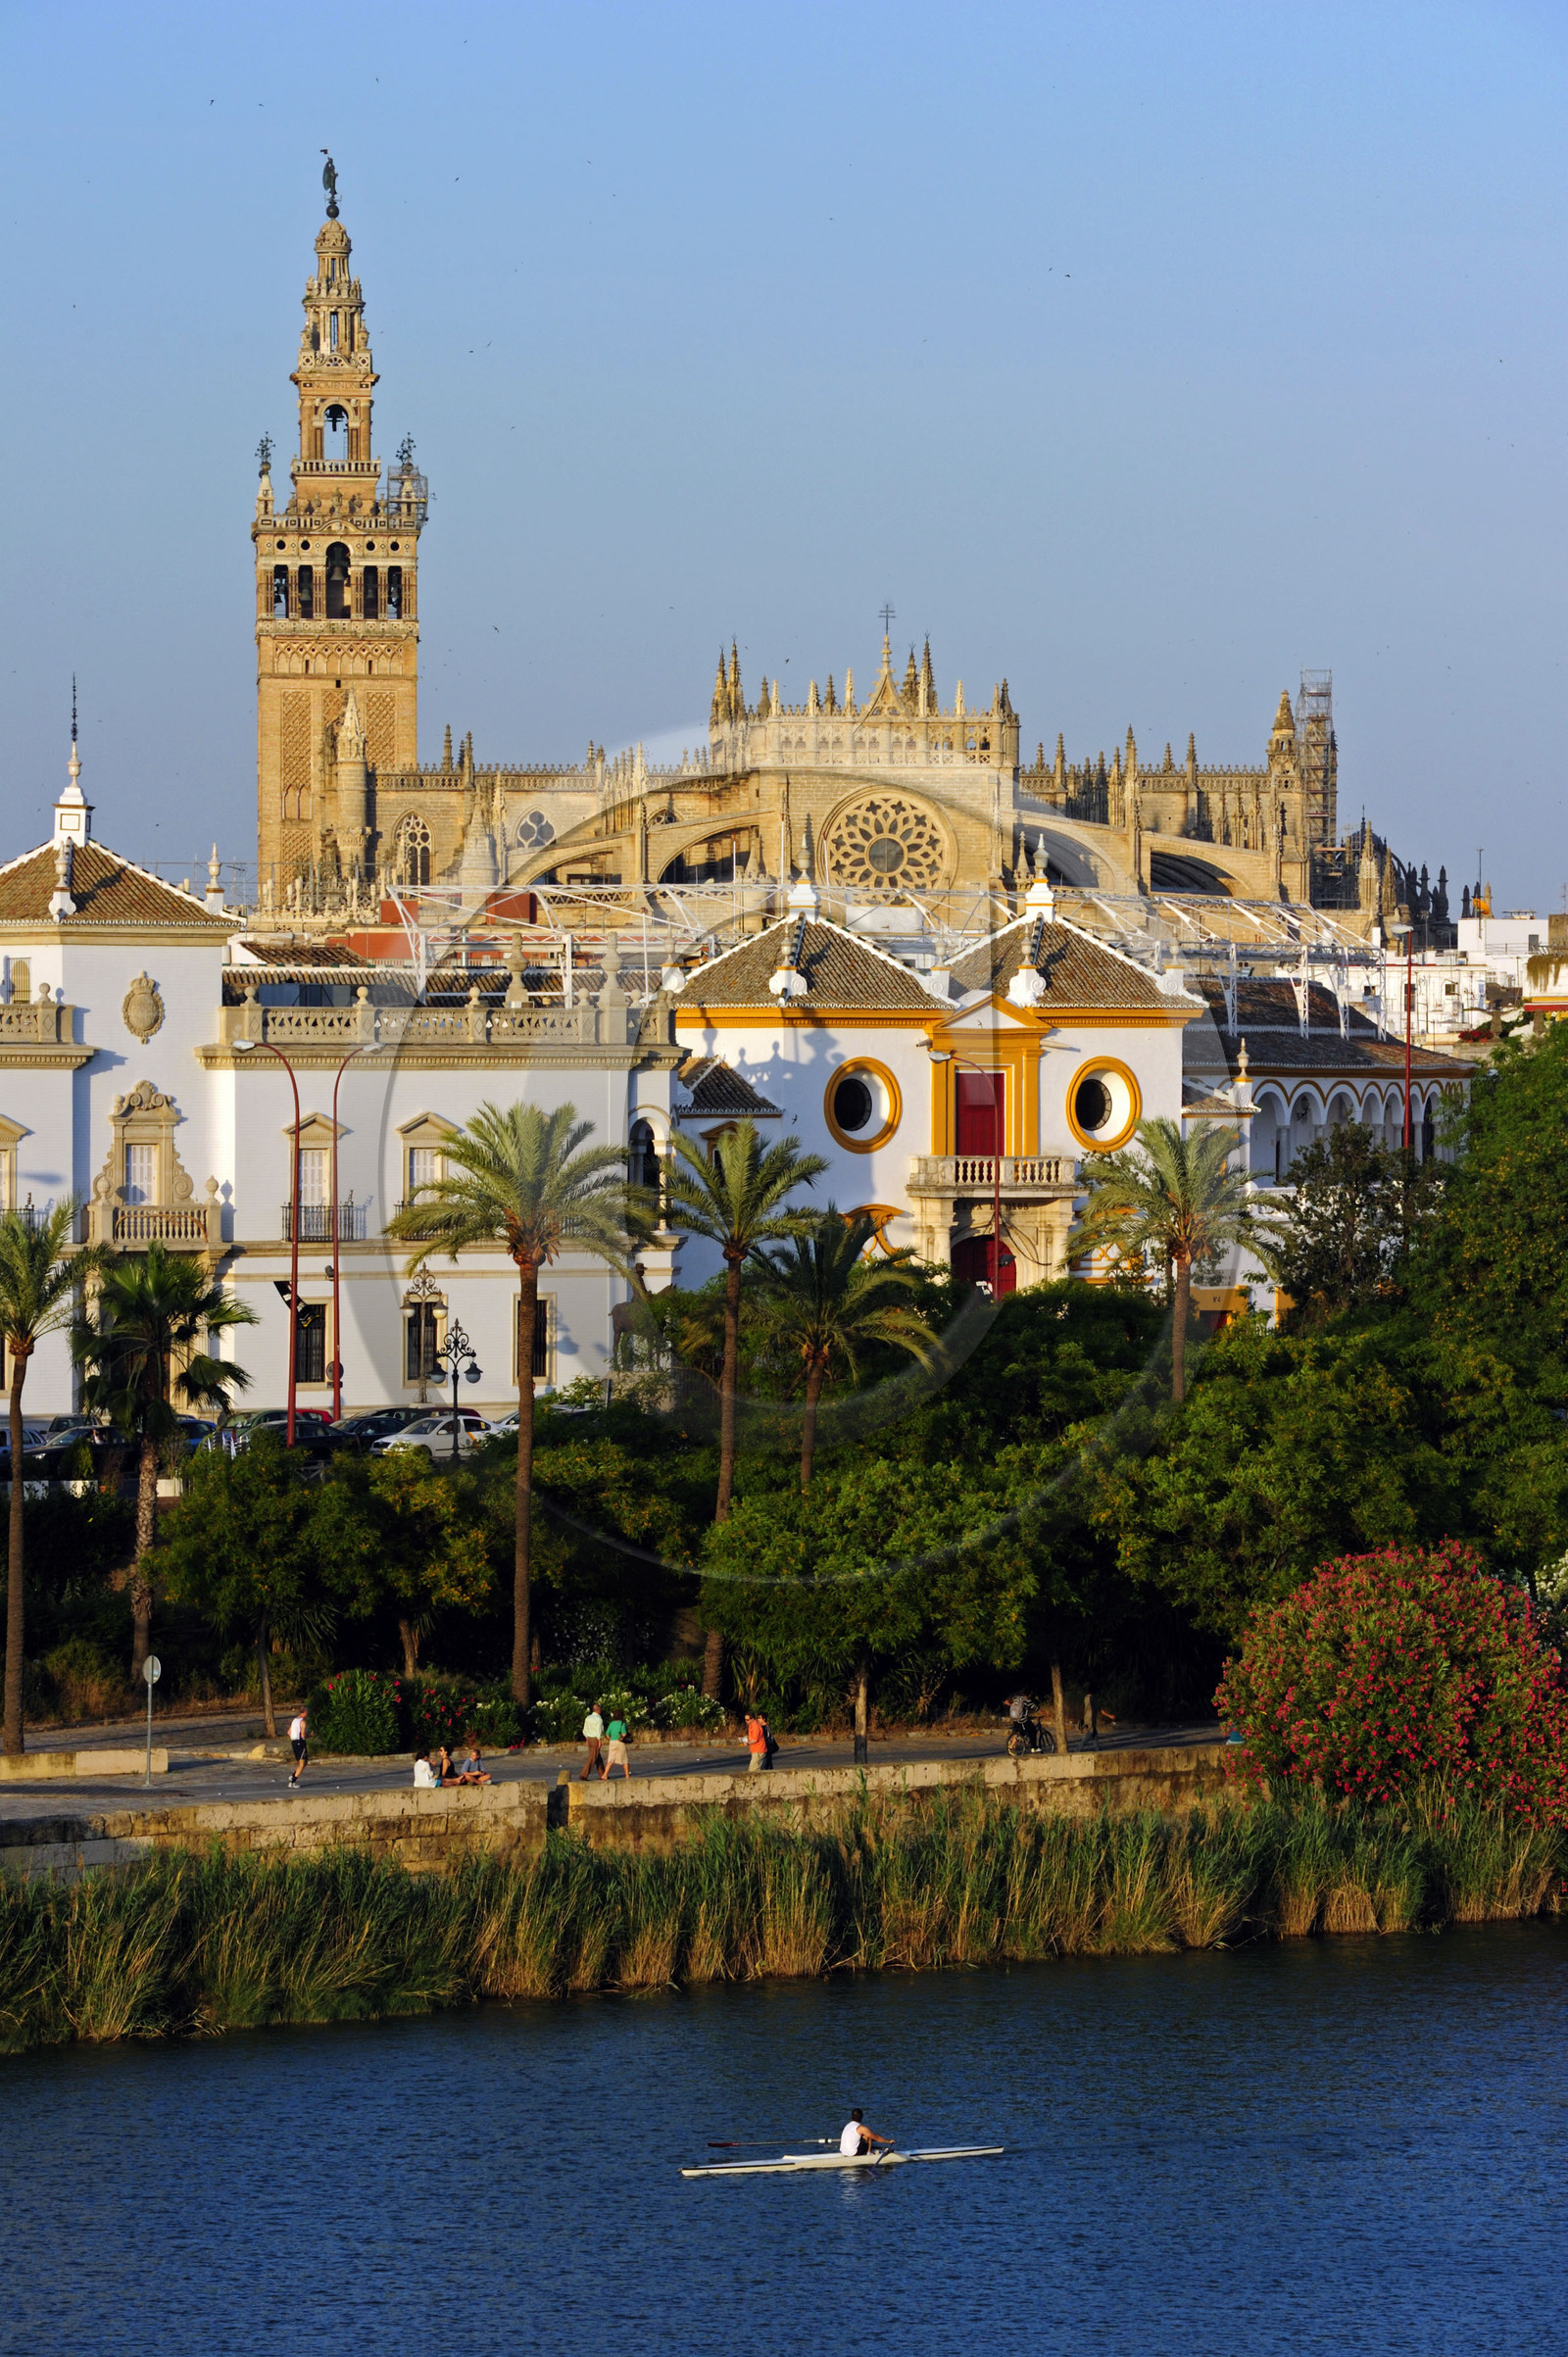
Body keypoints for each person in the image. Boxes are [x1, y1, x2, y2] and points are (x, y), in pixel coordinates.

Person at [603, 1711, 631, 1781]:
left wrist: (611, 1739)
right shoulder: (622, 1723)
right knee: (624, 1758)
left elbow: (607, 1734)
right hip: (620, 1742)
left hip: (612, 1742)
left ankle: (605, 1774)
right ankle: (627, 1775)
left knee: (611, 1758)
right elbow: (624, 1734)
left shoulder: (611, 1724)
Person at [580, 1701, 605, 1780]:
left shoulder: (588, 1718)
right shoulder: (599, 1719)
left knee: (598, 1757)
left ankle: (603, 1774)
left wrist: (587, 1739)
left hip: (589, 1738)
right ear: (598, 1710)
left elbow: (585, 1730)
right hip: (595, 1738)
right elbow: (598, 1731)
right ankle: (584, 1774)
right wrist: (599, 1740)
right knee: (593, 1757)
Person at [287, 1705, 309, 1790]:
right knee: (302, 1763)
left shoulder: (294, 1720)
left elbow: (289, 1732)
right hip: (300, 1742)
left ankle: (293, 1775)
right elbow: (303, 1735)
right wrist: (310, 1735)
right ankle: (293, 1781)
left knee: (305, 1761)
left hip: (294, 1742)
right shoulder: (302, 1722)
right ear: (305, 1712)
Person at [745, 1709, 769, 1773]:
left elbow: (755, 1740)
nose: (746, 1721)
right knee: (753, 1768)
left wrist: (748, 1743)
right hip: (755, 1749)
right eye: (745, 1719)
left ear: (752, 1719)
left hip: (759, 1750)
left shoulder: (756, 1726)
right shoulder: (751, 1725)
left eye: (747, 1720)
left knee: (753, 1769)